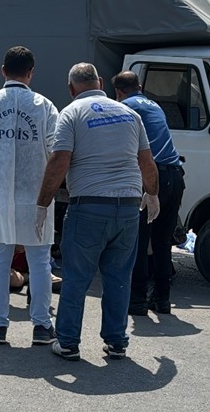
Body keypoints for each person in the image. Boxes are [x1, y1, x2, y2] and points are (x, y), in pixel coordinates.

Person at [35, 62, 159, 361]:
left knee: (77, 278)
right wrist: (152, 194)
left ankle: (67, 342)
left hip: (89, 207)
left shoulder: (72, 113)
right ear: (100, 82)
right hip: (128, 209)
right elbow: (146, 161)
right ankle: (116, 342)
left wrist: (42, 203)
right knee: (118, 278)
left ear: (71, 88)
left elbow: (59, 161)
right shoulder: (130, 114)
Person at [0, 45, 59, 346]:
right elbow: (57, 152)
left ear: (3, 71)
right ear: (31, 73)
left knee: (0, 262)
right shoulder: (44, 106)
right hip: (37, 197)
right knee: (40, 262)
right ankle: (42, 326)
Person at [112, 71, 186, 315]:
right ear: (140, 86)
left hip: (152, 177)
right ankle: (162, 299)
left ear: (118, 92)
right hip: (175, 176)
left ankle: (137, 300)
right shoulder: (154, 105)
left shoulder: (125, 107)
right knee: (163, 243)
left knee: (139, 242)